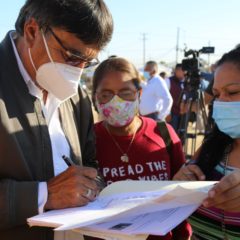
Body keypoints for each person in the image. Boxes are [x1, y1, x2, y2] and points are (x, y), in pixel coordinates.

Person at [0, 0, 113, 240]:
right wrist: (44, 195)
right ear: (32, 31)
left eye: (88, 62)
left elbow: (89, 162)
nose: (78, 70)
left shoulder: (76, 96)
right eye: (72, 56)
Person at [92, 57, 191, 240]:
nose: (116, 101)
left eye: (125, 92)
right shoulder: (87, 141)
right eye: (106, 94)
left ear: (139, 93)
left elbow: (182, 195)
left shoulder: (163, 133)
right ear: (95, 97)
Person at [173, 47, 240, 239]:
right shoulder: (212, 149)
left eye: (233, 91)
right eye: (217, 94)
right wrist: (179, 185)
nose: (222, 102)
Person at [167, 64, 185, 131]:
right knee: (173, 131)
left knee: (183, 132)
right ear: (176, 71)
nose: (183, 72)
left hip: (184, 112)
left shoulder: (187, 82)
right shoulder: (169, 81)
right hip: (173, 112)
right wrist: (167, 113)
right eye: (180, 70)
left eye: (183, 70)